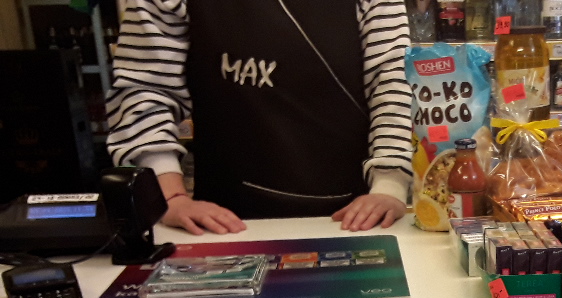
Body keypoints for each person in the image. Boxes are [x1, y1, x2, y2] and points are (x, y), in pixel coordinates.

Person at [106, 0, 414, 235]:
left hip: (357, 220)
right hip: (221, 224)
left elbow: (393, 80)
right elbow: (145, 87)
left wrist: (391, 184)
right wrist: (169, 196)